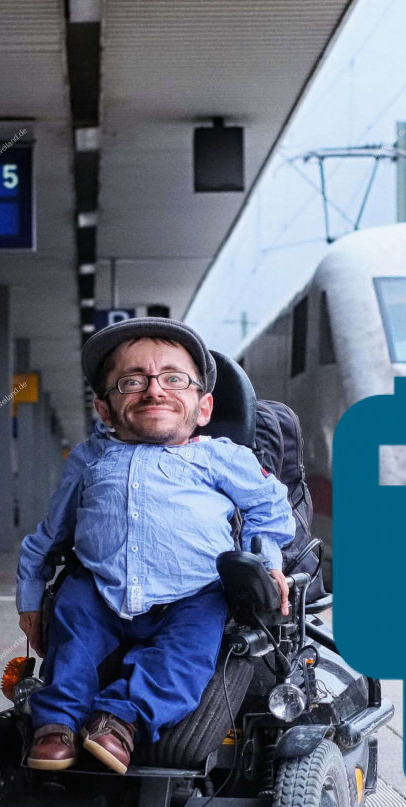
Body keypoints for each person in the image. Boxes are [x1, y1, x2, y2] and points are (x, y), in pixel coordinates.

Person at [16, 318, 295, 775]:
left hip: (195, 593)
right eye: (132, 381)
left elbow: (270, 510)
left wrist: (264, 564)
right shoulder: (89, 459)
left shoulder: (219, 457)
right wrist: (30, 597)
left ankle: (119, 719)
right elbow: (49, 535)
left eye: (173, 379)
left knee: (184, 660)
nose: (154, 390)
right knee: (72, 624)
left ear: (203, 407)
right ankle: (57, 725)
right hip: (100, 590)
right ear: (104, 410)